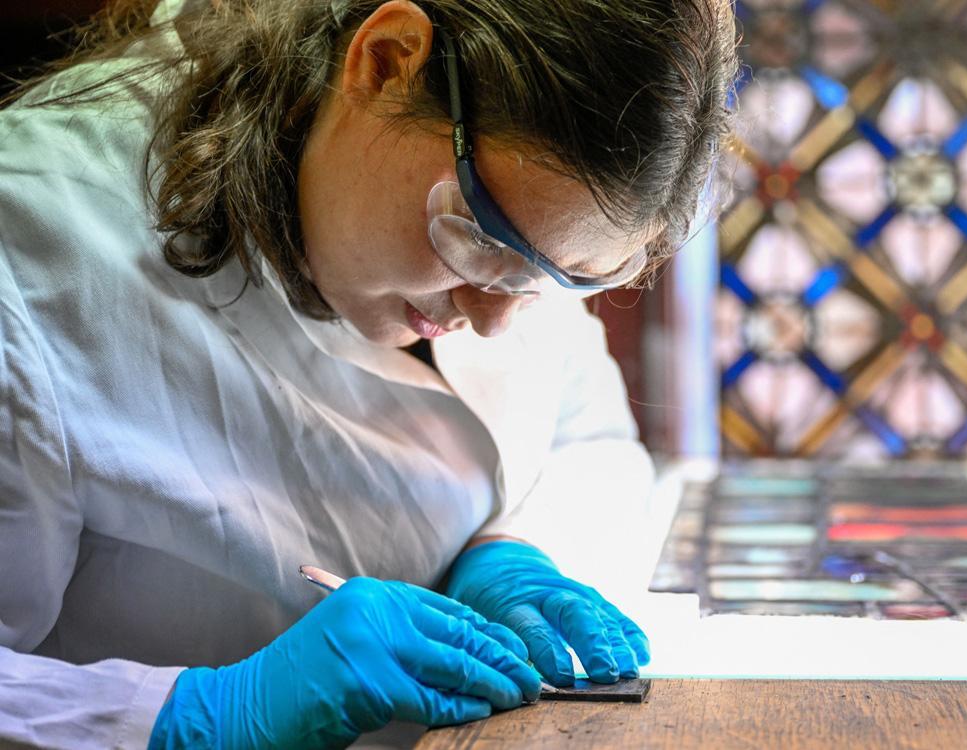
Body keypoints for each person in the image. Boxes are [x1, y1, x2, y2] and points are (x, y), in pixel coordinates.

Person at [0, 0, 736, 747]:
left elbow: (588, 427)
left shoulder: (515, 200)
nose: (493, 318)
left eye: (553, 281)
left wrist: (515, 548)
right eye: (479, 244)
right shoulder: (30, 252)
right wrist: (192, 715)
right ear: (383, 61)